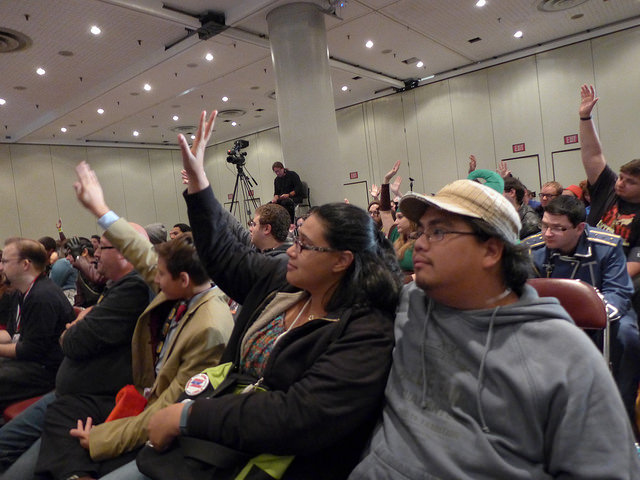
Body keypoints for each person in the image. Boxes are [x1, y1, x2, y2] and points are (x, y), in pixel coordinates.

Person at [134, 110, 403, 480]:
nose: (291, 248)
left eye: (305, 245)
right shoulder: (287, 282)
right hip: (218, 443)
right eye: (296, 237)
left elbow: (298, 415)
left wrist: (187, 416)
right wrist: (199, 185)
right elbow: (227, 257)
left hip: (274, 463)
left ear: (342, 261)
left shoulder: (367, 329)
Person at [349, 179, 640, 479]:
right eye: (421, 230)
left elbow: (607, 469)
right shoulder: (411, 304)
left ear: (490, 251)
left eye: (438, 231)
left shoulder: (562, 354)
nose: (419, 243)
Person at [522, 195, 640, 433]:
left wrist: (594, 317)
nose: (547, 233)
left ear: (580, 228)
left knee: (628, 337)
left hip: (603, 314)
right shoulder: (530, 249)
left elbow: (618, 292)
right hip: (551, 318)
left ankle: (621, 416)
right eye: (545, 225)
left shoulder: (607, 245)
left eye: (558, 228)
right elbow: (522, 294)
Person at [579, 84, 640, 303]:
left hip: (617, 283)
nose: (620, 183)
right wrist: (585, 118)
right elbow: (592, 154)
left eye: (629, 181)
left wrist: (600, 284)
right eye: (621, 176)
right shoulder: (609, 187)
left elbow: (634, 264)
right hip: (586, 269)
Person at [0, 238, 74, 410]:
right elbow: (11, 334)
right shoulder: (23, 292)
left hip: (46, 370)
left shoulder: (42, 296)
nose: (1, 267)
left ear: (25, 264)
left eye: (5, 261)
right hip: (29, 363)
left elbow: (30, 350)